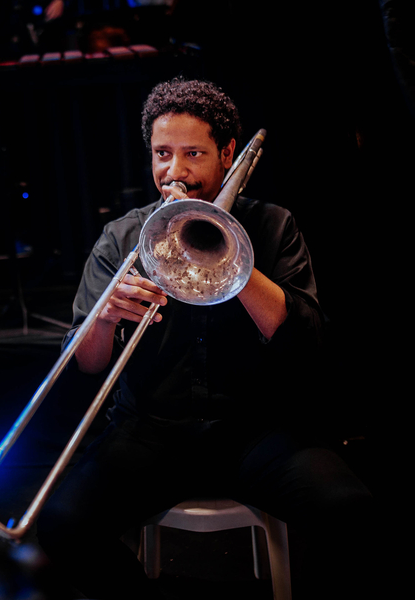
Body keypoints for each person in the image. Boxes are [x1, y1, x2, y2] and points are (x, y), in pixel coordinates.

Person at [36, 78, 375, 598]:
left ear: (228, 154)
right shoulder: (123, 237)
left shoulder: (271, 224)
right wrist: (104, 319)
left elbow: (309, 346)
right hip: (150, 431)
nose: (174, 172)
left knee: (350, 511)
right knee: (59, 524)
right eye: (162, 154)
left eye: (193, 153)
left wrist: (232, 257)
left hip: (258, 432)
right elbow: (84, 367)